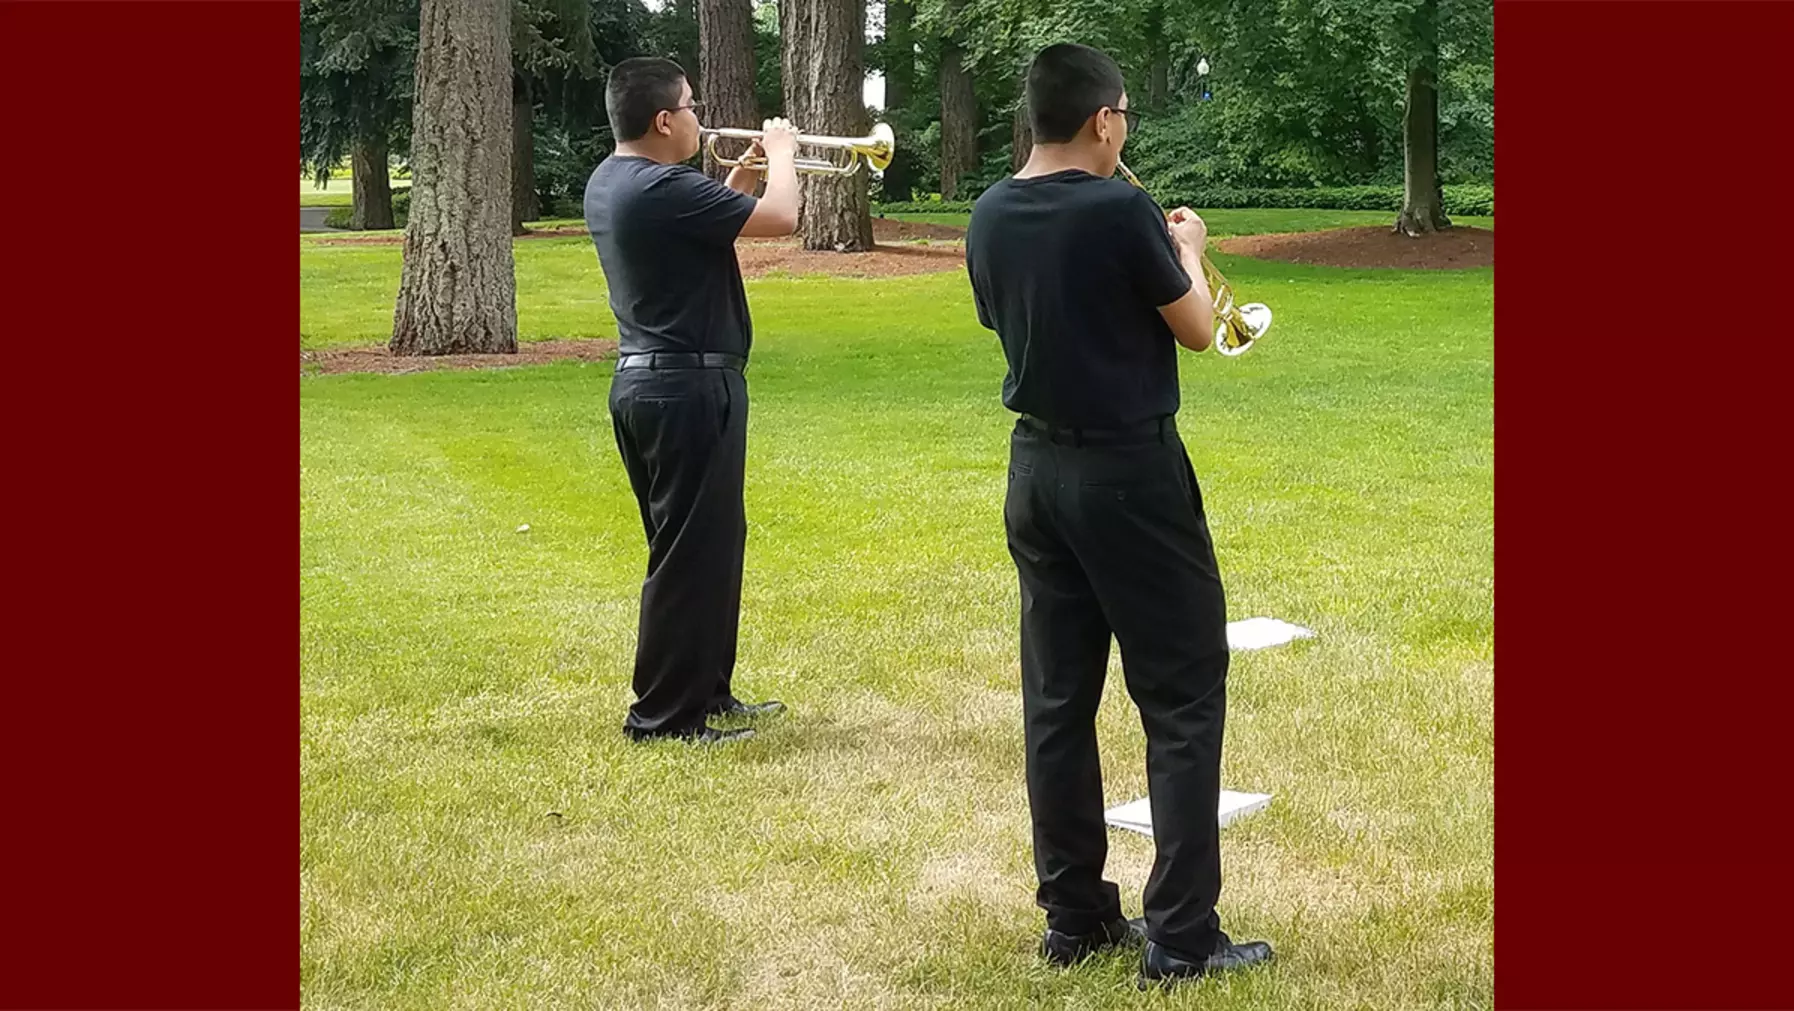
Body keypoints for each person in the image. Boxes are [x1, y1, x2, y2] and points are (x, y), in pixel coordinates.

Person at [965, 43, 1274, 986]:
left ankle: (1074, 915)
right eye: (1126, 113)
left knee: (1058, 699)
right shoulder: (1120, 207)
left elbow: (998, 318)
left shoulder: (988, 211)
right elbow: (1196, 328)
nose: (1126, 128)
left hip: (1036, 470)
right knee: (1182, 695)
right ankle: (1181, 937)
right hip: (1131, 469)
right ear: (1102, 119)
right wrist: (1189, 249)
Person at [584, 57, 800, 744]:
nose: (701, 116)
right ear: (663, 121)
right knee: (687, 555)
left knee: (704, 546)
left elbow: (713, 224)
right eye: (691, 105)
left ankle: (707, 692)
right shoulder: (659, 187)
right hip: (686, 386)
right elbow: (783, 218)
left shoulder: (618, 179)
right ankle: (663, 717)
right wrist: (785, 153)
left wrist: (743, 175)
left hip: (655, 381)